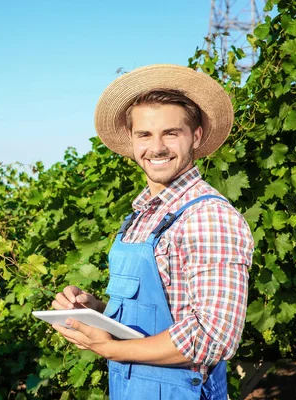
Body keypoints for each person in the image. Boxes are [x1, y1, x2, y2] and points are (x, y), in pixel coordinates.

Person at [51, 64, 254, 400]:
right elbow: (158, 316)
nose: (156, 147)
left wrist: (112, 350)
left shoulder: (208, 216)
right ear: (131, 141)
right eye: (144, 134)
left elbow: (213, 337)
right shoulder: (141, 215)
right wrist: (98, 312)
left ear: (197, 136)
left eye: (171, 133)